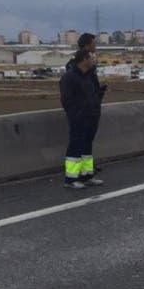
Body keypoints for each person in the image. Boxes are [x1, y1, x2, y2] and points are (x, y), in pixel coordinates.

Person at [58, 49, 104, 189]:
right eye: (91, 58)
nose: (93, 60)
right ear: (84, 59)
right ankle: (71, 179)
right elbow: (67, 100)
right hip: (79, 118)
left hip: (91, 117)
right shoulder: (70, 77)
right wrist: (76, 115)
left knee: (86, 148)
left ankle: (87, 175)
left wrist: (99, 96)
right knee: (75, 148)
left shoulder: (89, 76)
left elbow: (93, 96)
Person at [66, 33, 106, 169]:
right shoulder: (74, 70)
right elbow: (70, 96)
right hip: (81, 114)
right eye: (94, 43)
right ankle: (73, 176)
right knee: (77, 144)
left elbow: (91, 89)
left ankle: (87, 171)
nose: (95, 46)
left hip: (91, 111)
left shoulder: (88, 69)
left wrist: (99, 93)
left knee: (87, 143)